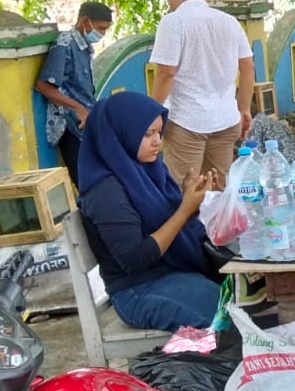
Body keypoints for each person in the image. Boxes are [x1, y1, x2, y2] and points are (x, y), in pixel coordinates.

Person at [77, 91, 222, 332]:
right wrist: (184, 211)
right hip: (137, 290)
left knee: (252, 295)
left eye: (158, 132)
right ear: (122, 134)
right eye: (147, 134)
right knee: (230, 319)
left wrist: (190, 198)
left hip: (167, 274)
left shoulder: (148, 170)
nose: (157, 141)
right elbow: (135, 259)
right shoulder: (105, 193)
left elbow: (164, 219)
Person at [150, 0, 255, 186]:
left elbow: (166, 73)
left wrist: (150, 113)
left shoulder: (173, 22)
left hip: (186, 123)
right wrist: (244, 109)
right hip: (226, 120)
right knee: (218, 190)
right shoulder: (229, 21)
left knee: (182, 191)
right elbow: (247, 68)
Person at [36, 1, 112, 189]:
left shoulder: (85, 47)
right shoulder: (65, 43)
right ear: (85, 22)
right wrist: (77, 107)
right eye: (101, 28)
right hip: (69, 126)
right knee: (87, 184)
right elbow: (44, 85)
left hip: (85, 126)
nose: (102, 34)